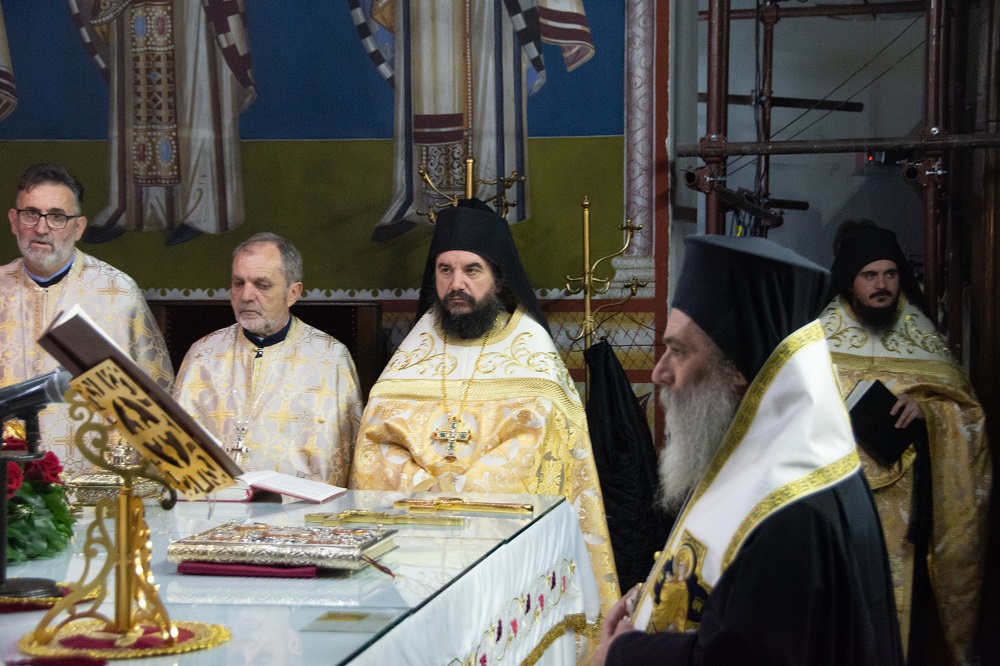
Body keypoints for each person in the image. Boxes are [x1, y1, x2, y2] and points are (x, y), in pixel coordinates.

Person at [595, 235, 903, 665]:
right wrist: (658, 600)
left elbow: (742, 657)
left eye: (678, 352)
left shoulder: (788, 512)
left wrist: (623, 653)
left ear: (736, 369)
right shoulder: (785, 454)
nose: (660, 372)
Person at [350, 201, 620, 612]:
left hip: (505, 554)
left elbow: (542, 452)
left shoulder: (531, 352)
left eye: (471, 270)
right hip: (413, 551)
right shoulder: (413, 353)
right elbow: (375, 446)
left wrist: (457, 494)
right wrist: (427, 490)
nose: (456, 284)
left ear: (497, 278)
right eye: (445, 270)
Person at [820, 220, 991, 665]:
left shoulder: (921, 334)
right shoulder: (819, 338)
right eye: (869, 275)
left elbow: (967, 414)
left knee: (904, 622)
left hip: (910, 509)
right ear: (850, 280)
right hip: (840, 501)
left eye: (890, 274)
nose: (882, 285)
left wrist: (928, 413)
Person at [0, 163, 174, 475]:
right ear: (14, 220)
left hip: (94, 483)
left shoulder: (118, 294)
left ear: (79, 227)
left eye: (57, 216)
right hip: (7, 485)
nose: (41, 228)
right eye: (31, 214)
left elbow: (153, 403)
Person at [173, 233, 362, 485]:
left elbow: (347, 458)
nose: (246, 295)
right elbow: (175, 447)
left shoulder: (330, 359)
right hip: (214, 503)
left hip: (297, 505)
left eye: (262, 285)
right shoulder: (202, 355)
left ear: (293, 293)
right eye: (238, 283)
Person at [68, 0, 256, 245]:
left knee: (197, 91)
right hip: (131, 10)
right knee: (138, 99)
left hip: (192, 9)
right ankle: (135, 208)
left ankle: (204, 209)